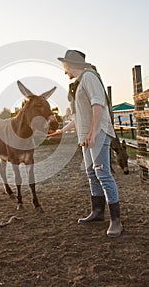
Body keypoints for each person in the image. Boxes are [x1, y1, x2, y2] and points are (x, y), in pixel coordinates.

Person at [48, 50, 123, 238]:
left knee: (102, 173)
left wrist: (93, 132)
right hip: (87, 136)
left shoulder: (90, 77)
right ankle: (97, 212)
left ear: (71, 64)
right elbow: (79, 116)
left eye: (65, 67)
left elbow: (98, 105)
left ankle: (116, 220)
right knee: (92, 173)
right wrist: (62, 131)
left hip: (98, 134)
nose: (65, 72)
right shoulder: (81, 81)